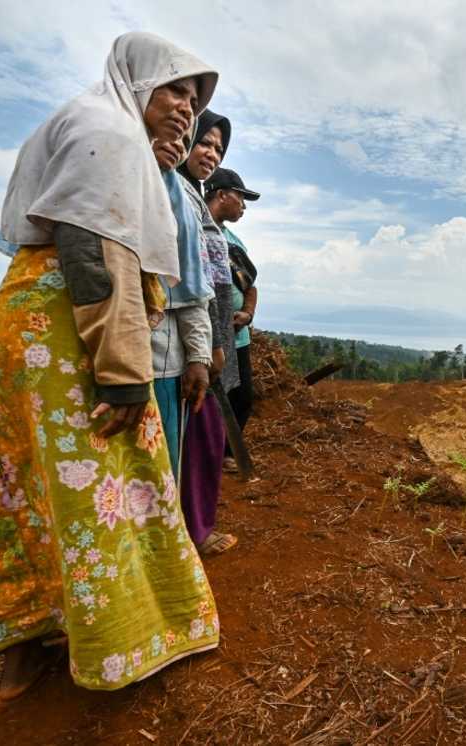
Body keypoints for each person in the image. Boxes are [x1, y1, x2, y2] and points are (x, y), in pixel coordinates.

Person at [0, 32, 221, 704]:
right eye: (176, 88)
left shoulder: (84, 123)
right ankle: (119, 641)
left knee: (23, 480)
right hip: (67, 334)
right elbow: (93, 253)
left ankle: (24, 650)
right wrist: (121, 371)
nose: (187, 108)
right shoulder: (108, 132)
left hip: (26, 325)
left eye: (196, 98)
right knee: (107, 479)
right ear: (138, 79)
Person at [175, 110, 238, 555]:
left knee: (204, 440)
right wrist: (209, 347)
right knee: (200, 442)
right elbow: (193, 285)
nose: (211, 153)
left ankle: (192, 527)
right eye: (205, 142)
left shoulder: (189, 197)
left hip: (202, 342)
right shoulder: (173, 193)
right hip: (188, 347)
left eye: (218, 147)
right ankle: (193, 532)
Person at [151, 128, 214, 479]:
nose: (211, 154)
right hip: (95, 350)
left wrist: (200, 355)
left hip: (157, 355)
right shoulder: (109, 168)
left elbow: (193, 287)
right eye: (204, 142)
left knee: (156, 466)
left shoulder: (181, 197)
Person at [203, 167, 259, 472]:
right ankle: (205, 454)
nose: (244, 205)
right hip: (208, 336)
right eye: (241, 197)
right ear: (222, 195)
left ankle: (225, 451)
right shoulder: (197, 230)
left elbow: (251, 287)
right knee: (210, 397)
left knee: (243, 397)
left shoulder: (235, 241)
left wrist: (248, 313)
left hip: (238, 336)